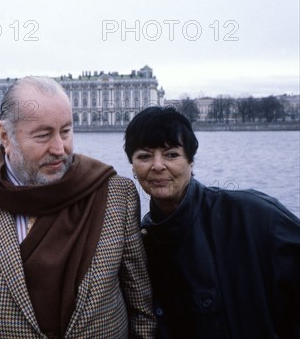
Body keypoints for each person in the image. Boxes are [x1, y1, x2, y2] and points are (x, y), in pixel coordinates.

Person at [0, 76, 155, 338]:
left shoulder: (115, 194)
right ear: (4, 135)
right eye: (43, 135)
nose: (59, 148)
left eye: (65, 131)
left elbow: (141, 309)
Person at [124, 106, 300, 339]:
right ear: (134, 168)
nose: (157, 165)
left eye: (171, 154)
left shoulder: (253, 216)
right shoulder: (141, 245)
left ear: (191, 162)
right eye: (145, 156)